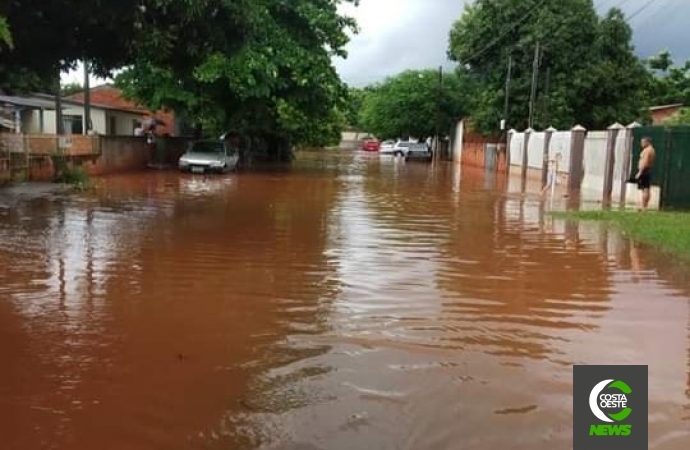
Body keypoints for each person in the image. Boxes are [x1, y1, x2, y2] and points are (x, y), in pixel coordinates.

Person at [634, 137, 656, 210]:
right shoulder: (652, 150)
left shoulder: (647, 150)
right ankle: (645, 206)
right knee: (646, 188)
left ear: (648, 142)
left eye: (643, 142)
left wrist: (640, 172)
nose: (641, 144)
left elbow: (645, 161)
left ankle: (643, 206)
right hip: (647, 170)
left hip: (644, 170)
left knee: (645, 189)